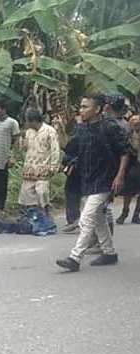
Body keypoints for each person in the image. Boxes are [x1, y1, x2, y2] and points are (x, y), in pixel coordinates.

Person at [56, 94, 133, 273]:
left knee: (87, 217)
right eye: (81, 107)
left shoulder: (109, 127)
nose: (81, 110)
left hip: (106, 179)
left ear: (97, 109)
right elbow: (69, 148)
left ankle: (75, 257)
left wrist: (120, 176)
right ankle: (109, 252)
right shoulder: (81, 129)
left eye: (85, 107)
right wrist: (60, 131)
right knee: (98, 218)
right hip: (88, 179)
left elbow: (124, 152)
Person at [17, 109, 61, 215]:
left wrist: (53, 167)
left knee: (41, 192)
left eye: (27, 121)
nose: (26, 123)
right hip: (30, 168)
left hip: (44, 168)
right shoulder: (28, 132)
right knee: (26, 194)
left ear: (33, 121)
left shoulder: (50, 131)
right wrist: (22, 139)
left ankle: (45, 214)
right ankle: (31, 217)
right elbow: (24, 149)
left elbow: (55, 150)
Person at [104, 95, 140, 225]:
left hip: (133, 160)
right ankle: (125, 212)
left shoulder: (122, 124)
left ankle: (136, 214)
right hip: (133, 161)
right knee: (129, 189)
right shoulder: (125, 127)